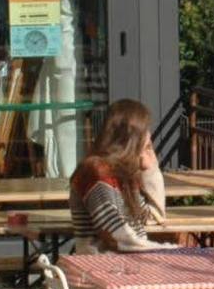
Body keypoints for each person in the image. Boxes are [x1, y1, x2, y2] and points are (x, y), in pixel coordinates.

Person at [68, 99, 169, 252]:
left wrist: (151, 168)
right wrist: (168, 250)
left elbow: (152, 218)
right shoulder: (96, 171)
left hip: (126, 262)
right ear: (131, 137)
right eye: (144, 131)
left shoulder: (124, 173)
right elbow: (117, 237)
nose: (148, 135)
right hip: (102, 268)